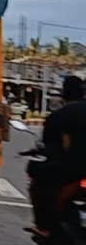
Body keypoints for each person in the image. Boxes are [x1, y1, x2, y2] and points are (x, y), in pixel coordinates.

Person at [28, 75, 86, 236]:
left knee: (38, 177)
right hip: (76, 171)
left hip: (72, 169)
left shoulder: (59, 116)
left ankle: (44, 226)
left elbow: (52, 147)